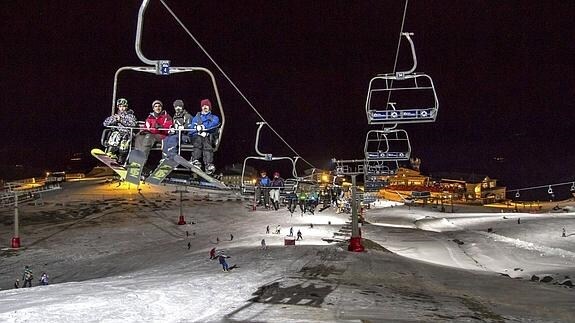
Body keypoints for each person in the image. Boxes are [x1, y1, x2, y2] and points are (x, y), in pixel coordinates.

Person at [188, 99, 220, 174]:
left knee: (205, 141)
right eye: (203, 105)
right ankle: (195, 160)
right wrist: (197, 131)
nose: (205, 107)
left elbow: (214, 124)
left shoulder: (213, 117)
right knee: (199, 139)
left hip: (209, 137)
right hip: (196, 137)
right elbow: (191, 129)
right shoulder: (197, 118)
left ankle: (208, 164)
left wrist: (203, 128)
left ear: (209, 107)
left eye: (207, 105)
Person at [102, 98, 138, 164]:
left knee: (124, 140)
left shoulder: (130, 116)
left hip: (127, 133)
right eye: (120, 106)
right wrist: (114, 120)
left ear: (126, 107)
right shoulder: (116, 115)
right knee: (115, 134)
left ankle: (122, 158)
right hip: (118, 133)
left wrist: (121, 120)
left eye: (124, 106)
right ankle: (111, 152)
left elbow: (133, 124)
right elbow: (105, 123)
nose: (122, 108)